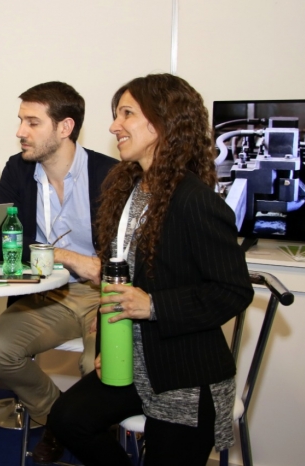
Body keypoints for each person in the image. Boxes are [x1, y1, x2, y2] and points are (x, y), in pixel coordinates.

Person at [48, 73, 255, 465]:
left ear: (163, 121)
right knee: (67, 418)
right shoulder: (128, 188)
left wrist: (153, 306)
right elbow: (129, 277)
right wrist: (112, 336)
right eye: (116, 115)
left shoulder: (195, 200)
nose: (114, 126)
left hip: (185, 376)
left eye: (126, 113)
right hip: (134, 358)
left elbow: (233, 291)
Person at [0, 81, 117, 463]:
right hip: (47, 293)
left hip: (102, 294)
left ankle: (94, 441)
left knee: (100, 366)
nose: (20, 131)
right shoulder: (18, 170)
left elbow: (131, 261)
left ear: (64, 127)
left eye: (32, 122)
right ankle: (60, 419)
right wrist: (66, 256)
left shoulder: (113, 175)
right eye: (21, 120)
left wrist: (104, 293)